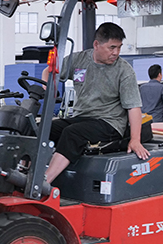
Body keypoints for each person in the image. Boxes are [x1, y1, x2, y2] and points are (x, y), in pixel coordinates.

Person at [41, 22, 150, 185]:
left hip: (109, 122)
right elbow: (48, 71)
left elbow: (134, 107)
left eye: (119, 47)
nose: (116, 53)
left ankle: (43, 182)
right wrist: (46, 87)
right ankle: (24, 172)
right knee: (42, 127)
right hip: (83, 118)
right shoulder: (78, 60)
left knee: (72, 133)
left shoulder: (124, 71)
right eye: (112, 47)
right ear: (96, 45)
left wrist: (135, 139)